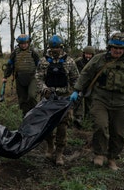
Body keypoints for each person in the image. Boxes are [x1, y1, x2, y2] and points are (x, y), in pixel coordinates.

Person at [70, 32, 124, 171]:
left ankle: (112, 158)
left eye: (120, 48)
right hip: (100, 99)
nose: (117, 50)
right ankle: (99, 153)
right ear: (110, 47)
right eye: (115, 47)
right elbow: (85, 74)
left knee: (118, 132)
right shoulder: (99, 59)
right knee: (100, 125)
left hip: (120, 101)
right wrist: (76, 90)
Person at [35, 35, 79, 166]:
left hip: (64, 99)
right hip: (48, 98)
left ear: (62, 47)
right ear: (49, 47)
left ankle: (59, 153)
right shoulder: (43, 61)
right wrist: (44, 89)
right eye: (53, 48)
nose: (55, 50)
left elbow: (76, 79)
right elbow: (38, 78)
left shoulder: (70, 62)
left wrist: (76, 92)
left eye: (57, 47)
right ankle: (50, 146)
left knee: (62, 127)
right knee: (47, 125)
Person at [1, 34, 40, 118]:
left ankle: (36, 114)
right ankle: (25, 116)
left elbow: (39, 65)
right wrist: (5, 76)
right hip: (19, 78)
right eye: (22, 43)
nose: (24, 45)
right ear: (19, 44)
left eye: (25, 43)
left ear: (28, 43)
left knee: (32, 96)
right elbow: (10, 65)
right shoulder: (15, 53)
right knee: (22, 99)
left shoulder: (33, 52)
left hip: (32, 78)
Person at [73, 46, 96, 128]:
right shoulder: (78, 62)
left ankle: (88, 120)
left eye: (90, 54)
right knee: (78, 102)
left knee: (90, 102)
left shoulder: (95, 62)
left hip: (91, 85)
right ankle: (77, 118)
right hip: (79, 84)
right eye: (86, 54)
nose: (88, 56)